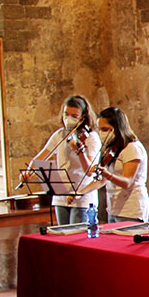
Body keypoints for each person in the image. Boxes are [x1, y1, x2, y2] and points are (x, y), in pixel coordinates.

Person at [24, 95, 101, 225]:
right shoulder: (60, 134)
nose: (69, 119)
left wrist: (79, 151)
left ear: (83, 117)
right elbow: (40, 157)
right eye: (66, 114)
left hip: (81, 194)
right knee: (62, 233)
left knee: (76, 235)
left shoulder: (91, 138)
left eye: (74, 116)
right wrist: (27, 172)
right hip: (61, 193)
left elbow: (89, 171)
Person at [74, 107, 149, 223]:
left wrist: (108, 175)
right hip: (114, 209)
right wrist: (80, 192)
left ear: (117, 129)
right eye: (99, 129)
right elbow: (101, 180)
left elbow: (127, 182)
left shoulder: (132, 148)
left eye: (105, 129)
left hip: (131, 209)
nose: (101, 133)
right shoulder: (112, 149)